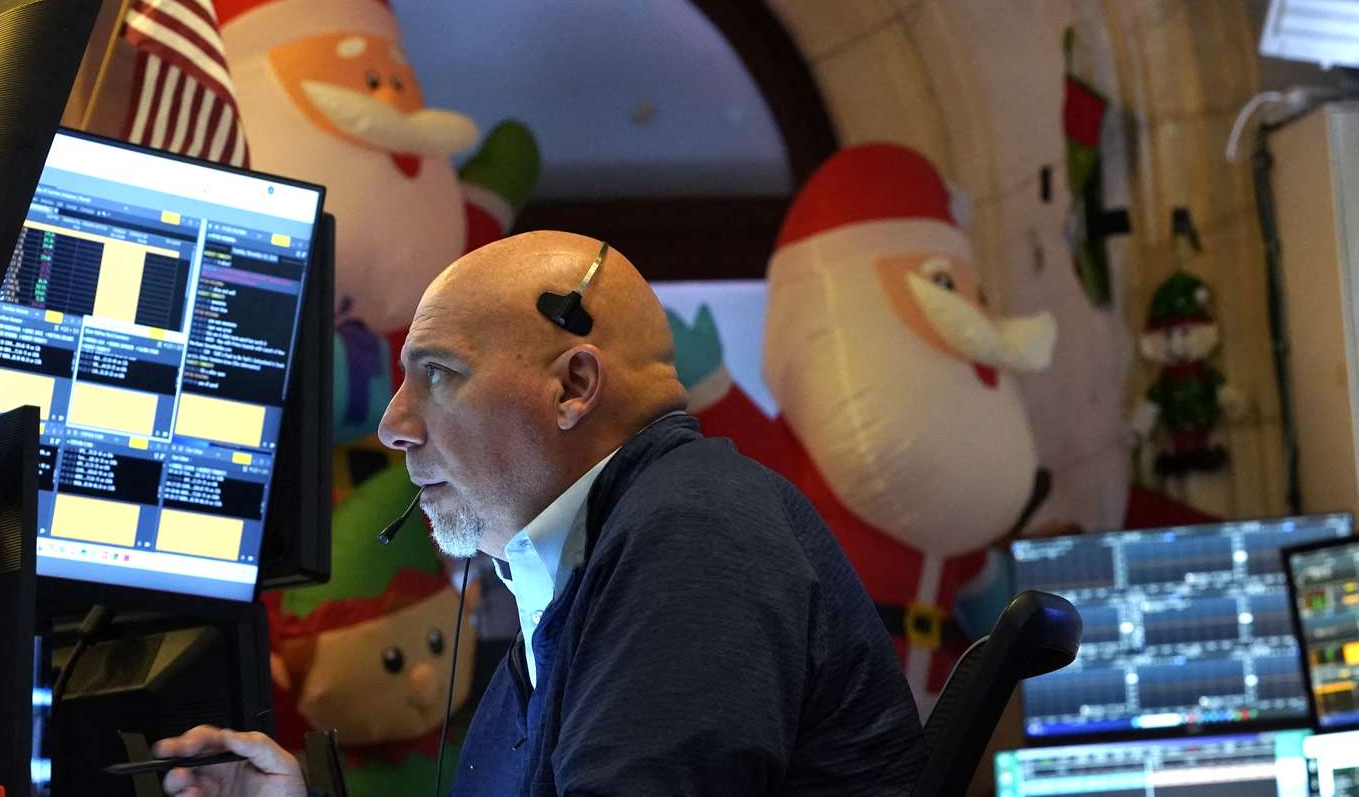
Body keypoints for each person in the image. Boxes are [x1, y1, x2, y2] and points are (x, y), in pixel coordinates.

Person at [154, 231, 926, 796]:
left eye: (439, 374)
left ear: (573, 387)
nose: (394, 423)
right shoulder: (584, 570)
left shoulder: (695, 534)